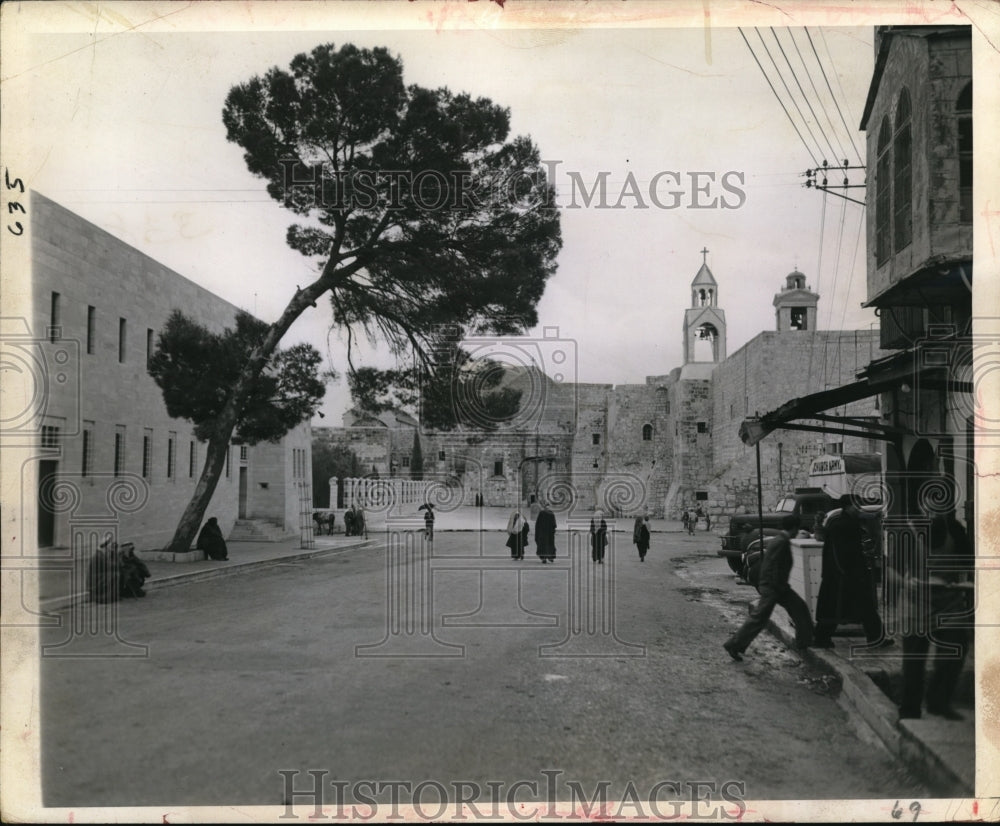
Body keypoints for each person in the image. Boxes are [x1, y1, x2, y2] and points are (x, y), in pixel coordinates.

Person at [888, 510, 974, 720]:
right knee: (914, 660)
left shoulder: (954, 529)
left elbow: (969, 561)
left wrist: (967, 582)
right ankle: (910, 709)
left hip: (949, 602)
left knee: (955, 650)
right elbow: (890, 571)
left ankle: (938, 702)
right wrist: (905, 582)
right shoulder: (907, 533)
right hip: (915, 604)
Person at [723, 514, 814, 660]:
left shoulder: (779, 540)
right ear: (794, 528)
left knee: (799, 608)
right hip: (774, 587)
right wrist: (776, 586)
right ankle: (734, 645)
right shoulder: (781, 542)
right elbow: (772, 566)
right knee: (760, 618)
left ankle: (804, 641)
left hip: (776, 586)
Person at [812, 495, 889, 649]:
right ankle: (822, 639)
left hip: (843, 574)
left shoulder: (843, 522)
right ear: (847, 506)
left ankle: (875, 638)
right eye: (856, 505)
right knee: (843, 608)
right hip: (845, 575)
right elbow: (842, 553)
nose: (859, 508)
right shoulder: (844, 525)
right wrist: (848, 572)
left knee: (846, 608)